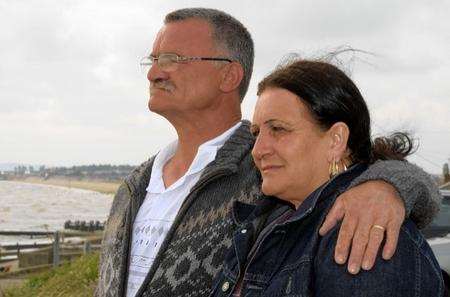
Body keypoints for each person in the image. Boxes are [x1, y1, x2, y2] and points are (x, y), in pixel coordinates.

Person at [96, 8, 441, 297]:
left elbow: (386, 170)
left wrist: (387, 187)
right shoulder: (134, 185)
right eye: (154, 60)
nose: (154, 73)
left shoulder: (341, 220)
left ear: (229, 74)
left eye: (172, 59)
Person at [210, 59, 444, 297]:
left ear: (335, 140)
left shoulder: (361, 233)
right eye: (257, 133)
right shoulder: (268, 221)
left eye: (278, 129)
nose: (258, 150)